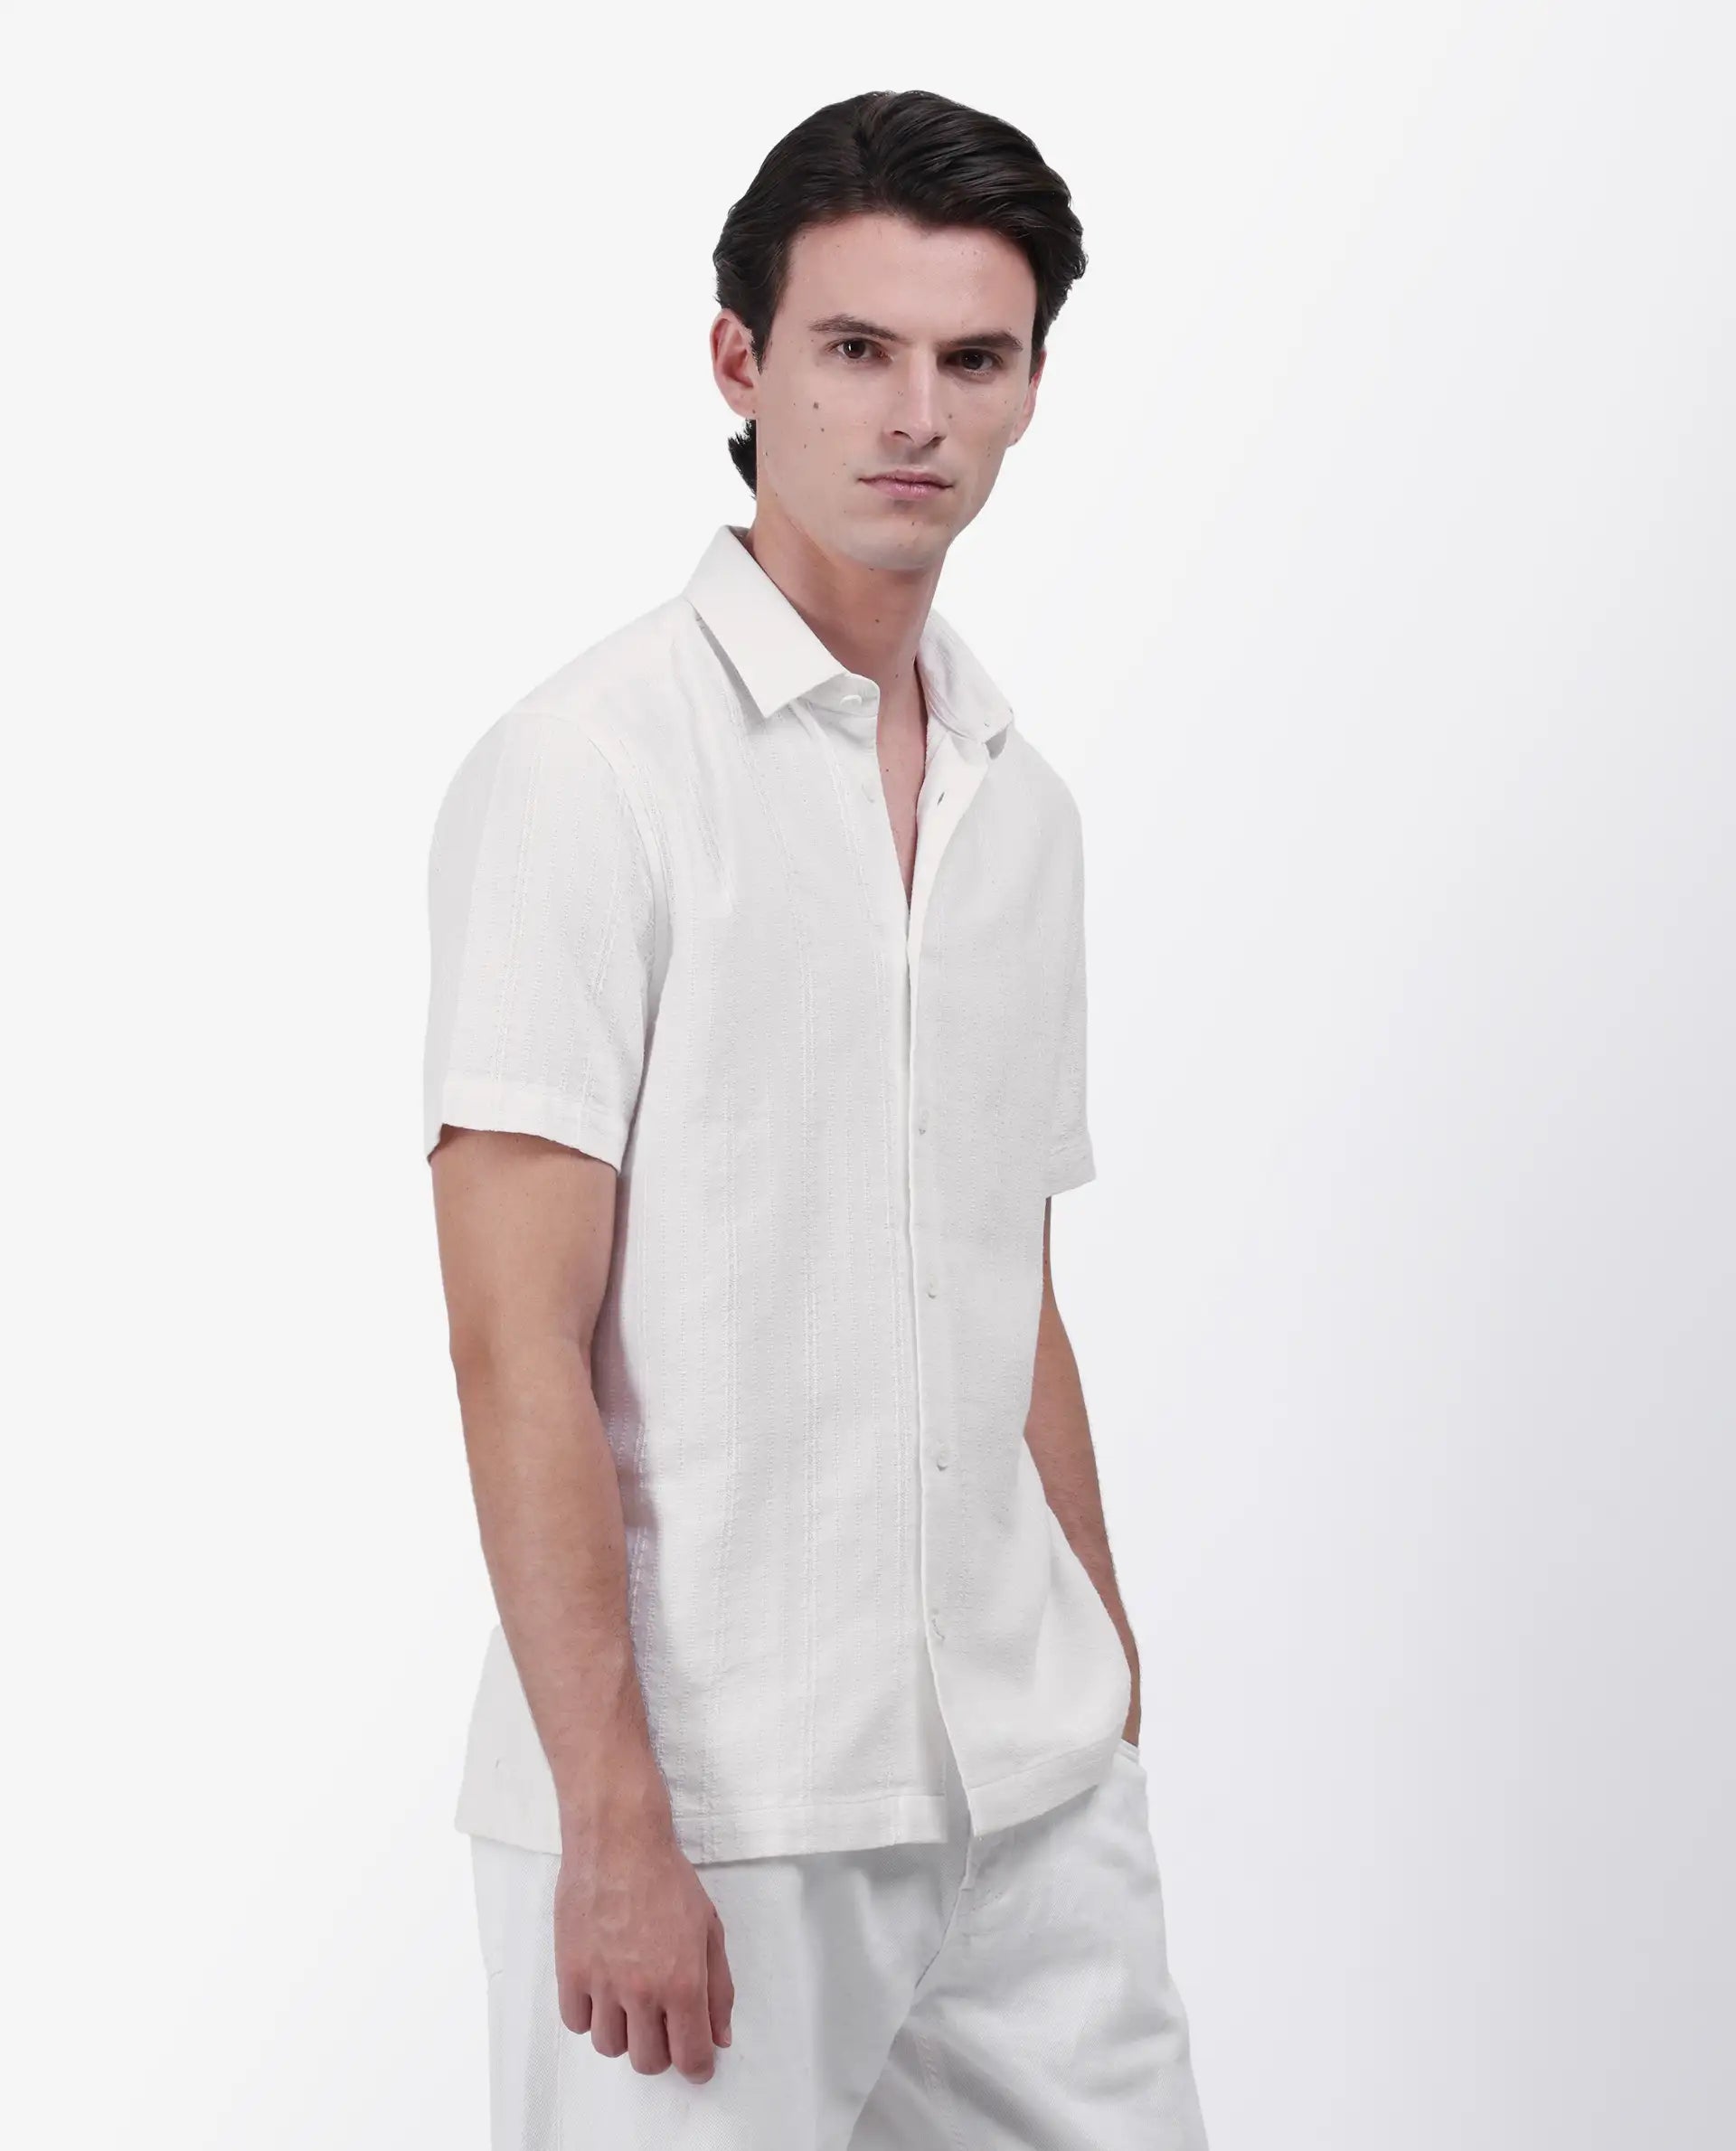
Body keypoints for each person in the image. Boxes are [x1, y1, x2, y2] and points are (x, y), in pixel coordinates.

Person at [423, 84, 1210, 2150]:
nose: (915, 415)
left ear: (1031, 388)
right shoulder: (588, 771)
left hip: (1028, 1787)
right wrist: (614, 1811)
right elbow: (513, 1333)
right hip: (718, 1800)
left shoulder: (1022, 805)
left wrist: (1105, 1664)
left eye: (976, 359)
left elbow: (1006, 1276)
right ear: (740, 361)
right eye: (857, 347)